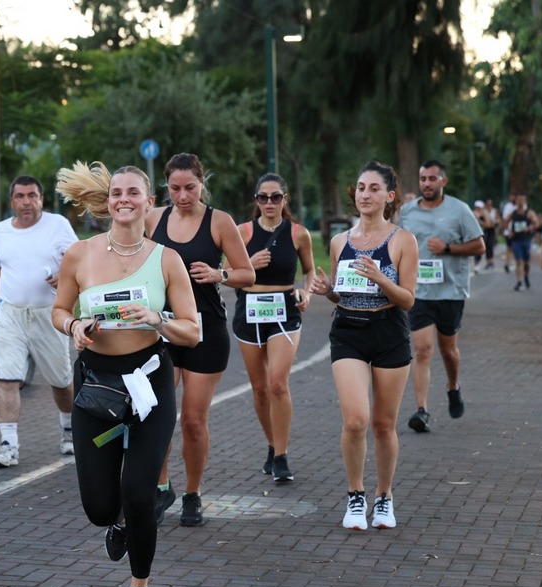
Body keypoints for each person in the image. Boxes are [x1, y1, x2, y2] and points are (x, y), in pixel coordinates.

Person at [53, 161, 199, 587]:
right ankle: (116, 521)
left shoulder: (167, 259)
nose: (124, 200)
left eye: (133, 192)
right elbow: (58, 310)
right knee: (99, 507)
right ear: (108, 200)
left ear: (149, 201)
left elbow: (192, 331)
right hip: (97, 387)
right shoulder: (80, 254)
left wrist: (158, 319)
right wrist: (74, 326)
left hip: (148, 385)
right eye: (117, 192)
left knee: (139, 492)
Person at [144, 153, 254, 526]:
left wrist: (219, 274)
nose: (182, 195)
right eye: (175, 188)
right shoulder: (153, 219)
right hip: (164, 328)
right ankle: (161, 487)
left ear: (202, 183)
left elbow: (247, 274)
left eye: (190, 187)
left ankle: (193, 493)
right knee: (157, 415)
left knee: (192, 420)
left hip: (206, 331)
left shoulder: (219, 221)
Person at [309, 161, 418, 530]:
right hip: (348, 331)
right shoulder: (340, 242)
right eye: (360, 188)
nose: (365, 195)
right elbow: (342, 294)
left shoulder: (403, 241)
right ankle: (356, 495)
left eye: (374, 188)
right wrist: (328, 291)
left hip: (389, 332)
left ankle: (384, 496)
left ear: (389, 196)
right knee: (355, 420)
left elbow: (408, 299)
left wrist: (380, 278)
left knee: (384, 425)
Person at [0, 175, 79, 468]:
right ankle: (8, 445)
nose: (26, 202)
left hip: (48, 314)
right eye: (20, 196)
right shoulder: (0, 231)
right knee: (6, 378)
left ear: (41, 199)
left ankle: (69, 429)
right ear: (12, 201)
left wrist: (64, 275)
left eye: (32, 196)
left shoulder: (58, 225)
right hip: (10, 314)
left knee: (61, 382)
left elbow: (81, 261)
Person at [231, 173, 314, 483]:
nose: (269, 202)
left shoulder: (298, 234)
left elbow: (309, 270)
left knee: (278, 383)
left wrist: (306, 292)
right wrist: (249, 264)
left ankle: (281, 456)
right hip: (249, 312)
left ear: (285, 199)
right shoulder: (242, 232)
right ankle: (272, 443)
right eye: (263, 197)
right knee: (261, 390)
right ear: (256, 200)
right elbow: (225, 274)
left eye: (275, 197)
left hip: (284, 311)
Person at [399, 159, 484, 433]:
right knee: (422, 350)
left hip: (450, 291)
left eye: (432, 179)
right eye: (423, 179)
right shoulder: (407, 212)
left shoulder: (459, 210)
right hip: (419, 291)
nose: (426, 184)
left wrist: (448, 248)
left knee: (448, 350)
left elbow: (479, 246)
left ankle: (453, 386)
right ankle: (421, 410)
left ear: (443, 182)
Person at [507, 194, 539, 291]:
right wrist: (509, 231)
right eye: (518, 200)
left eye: (522, 200)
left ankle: (526, 276)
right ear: (516, 202)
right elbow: (507, 221)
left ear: (525, 201)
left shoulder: (529, 213)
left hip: (526, 240)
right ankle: (519, 282)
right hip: (516, 240)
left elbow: (536, 224)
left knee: (527, 263)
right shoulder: (513, 213)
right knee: (518, 261)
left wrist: (529, 228)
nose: (520, 202)